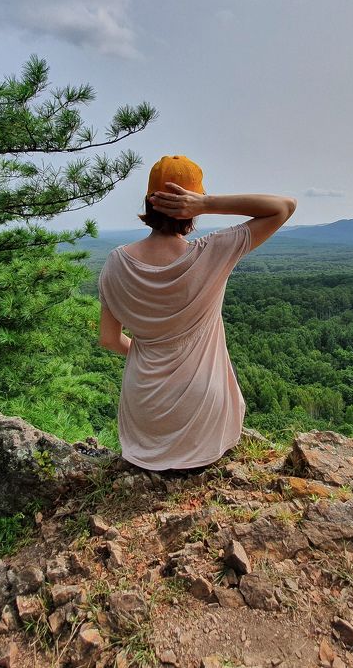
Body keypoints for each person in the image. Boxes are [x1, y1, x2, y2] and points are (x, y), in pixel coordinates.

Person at [96, 155, 297, 471]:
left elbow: (108, 339)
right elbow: (283, 206)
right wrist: (207, 203)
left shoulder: (115, 263)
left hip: (145, 418)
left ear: (149, 202)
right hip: (202, 414)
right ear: (190, 205)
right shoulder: (212, 253)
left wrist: (149, 351)